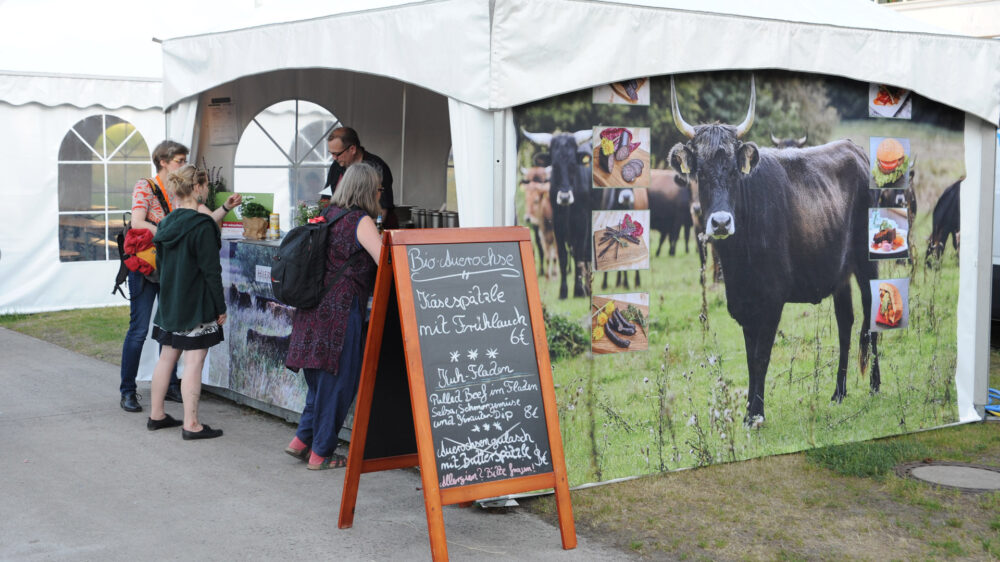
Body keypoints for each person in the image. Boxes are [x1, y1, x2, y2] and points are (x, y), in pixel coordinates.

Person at [119, 141, 240, 413]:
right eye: (179, 159)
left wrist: (226, 208)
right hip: (147, 265)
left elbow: (205, 219)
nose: (184, 163)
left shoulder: (182, 193)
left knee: (172, 330)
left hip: (172, 266)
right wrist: (172, 230)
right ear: (163, 161)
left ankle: (170, 389)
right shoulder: (146, 186)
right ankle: (128, 390)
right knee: (139, 329)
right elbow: (138, 222)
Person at [284, 162, 383, 469]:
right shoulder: (360, 220)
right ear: (368, 189)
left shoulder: (326, 215)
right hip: (339, 312)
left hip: (311, 307)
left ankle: (301, 440)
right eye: (379, 187)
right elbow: (385, 260)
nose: (382, 192)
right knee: (339, 384)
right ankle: (321, 454)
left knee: (319, 383)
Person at [146, 165, 228, 439]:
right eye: (204, 185)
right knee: (194, 360)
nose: (206, 189)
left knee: (167, 357)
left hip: (170, 301)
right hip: (196, 304)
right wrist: (220, 306)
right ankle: (191, 424)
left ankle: (156, 414)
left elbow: (162, 264)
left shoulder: (167, 223)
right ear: (197, 188)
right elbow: (211, 271)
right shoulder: (202, 226)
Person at [322, 126, 397, 228]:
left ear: (352, 149)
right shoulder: (336, 166)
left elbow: (382, 212)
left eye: (337, 154)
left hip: (374, 229)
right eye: (331, 153)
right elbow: (325, 199)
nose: (334, 158)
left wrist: (353, 226)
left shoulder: (377, 168)